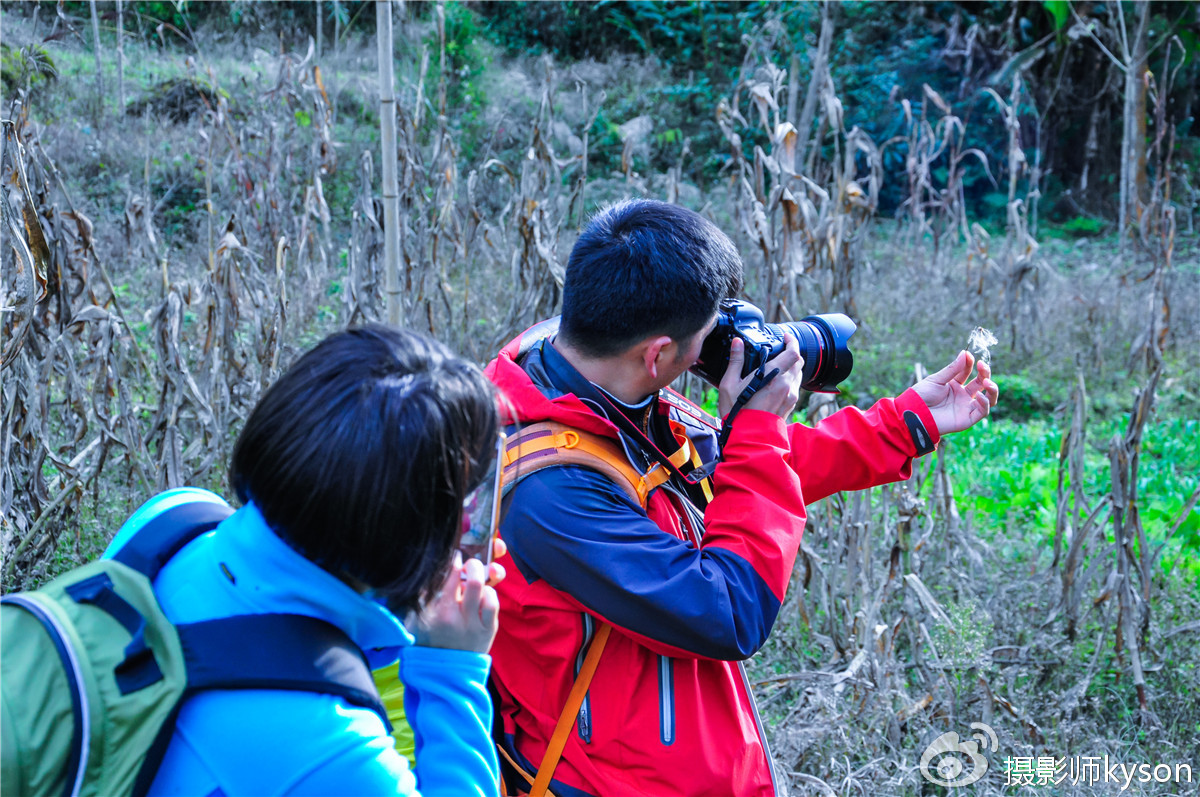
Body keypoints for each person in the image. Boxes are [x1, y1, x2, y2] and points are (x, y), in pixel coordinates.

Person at [484, 199, 998, 796]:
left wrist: (905, 422)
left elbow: (729, 473)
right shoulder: (551, 492)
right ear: (656, 355)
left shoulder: (607, 385)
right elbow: (728, 610)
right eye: (707, 335)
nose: (715, 348)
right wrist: (754, 424)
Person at [104, 325, 506, 796]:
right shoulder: (338, 751)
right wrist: (450, 666)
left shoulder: (173, 520)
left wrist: (399, 608)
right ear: (411, 535)